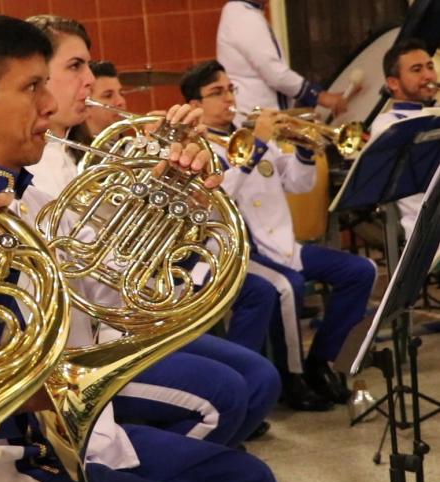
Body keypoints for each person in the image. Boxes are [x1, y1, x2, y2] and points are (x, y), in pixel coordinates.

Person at [0, 14, 278, 482]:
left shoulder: (34, 200)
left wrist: (175, 206)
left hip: (70, 445)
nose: (49, 103)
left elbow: (107, 303)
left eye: (47, 82)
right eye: (31, 87)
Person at [25, 14, 280, 445]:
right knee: (231, 393)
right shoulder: (37, 169)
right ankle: (168, 480)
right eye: (75, 66)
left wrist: (175, 191)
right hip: (89, 345)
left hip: (117, 324)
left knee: (259, 376)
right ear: (35, 78)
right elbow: (98, 278)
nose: (88, 78)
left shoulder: (70, 156)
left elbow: (114, 244)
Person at [181, 60, 377, 410]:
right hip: (242, 251)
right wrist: (256, 146)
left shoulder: (254, 137)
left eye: (230, 89)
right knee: (287, 286)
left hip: (285, 245)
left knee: (362, 271)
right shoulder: (200, 148)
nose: (228, 98)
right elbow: (221, 195)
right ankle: (292, 377)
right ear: (195, 105)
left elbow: (298, 183)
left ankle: (322, 361)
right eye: (216, 93)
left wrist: (305, 147)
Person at [216, 0, 351, 120]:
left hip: (257, 116)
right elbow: (275, 74)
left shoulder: (241, 12)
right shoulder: (244, 17)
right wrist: (321, 97)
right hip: (257, 119)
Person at [371, 38, 439, 240]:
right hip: (428, 232)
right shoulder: (388, 124)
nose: (428, 75)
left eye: (429, 67)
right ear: (393, 83)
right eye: (417, 69)